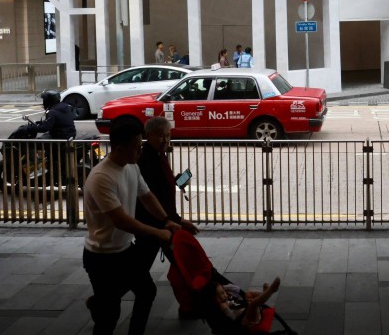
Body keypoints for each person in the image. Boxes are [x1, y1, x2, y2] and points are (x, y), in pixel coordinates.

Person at [82, 118, 179, 335]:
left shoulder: (132, 166)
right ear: (119, 148)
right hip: (102, 256)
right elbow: (121, 221)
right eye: (136, 147)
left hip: (125, 250)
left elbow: (146, 196)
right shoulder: (101, 177)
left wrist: (166, 220)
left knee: (146, 291)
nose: (140, 151)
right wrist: (159, 233)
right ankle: (100, 306)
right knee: (109, 316)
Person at [135, 117, 198, 275]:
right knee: (140, 270)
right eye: (161, 135)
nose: (166, 140)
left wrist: (175, 181)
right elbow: (153, 196)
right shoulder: (145, 159)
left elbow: (161, 186)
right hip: (155, 224)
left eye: (168, 135)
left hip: (165, 222)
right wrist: (176, 220)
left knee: (183, 265)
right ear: (148, 135)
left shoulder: (158, 154)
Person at [212, 277, 281, 331]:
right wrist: (226, 308)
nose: (223, 296)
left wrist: (224, 288)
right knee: (253, 304)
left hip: (248, 309)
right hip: (247, 319)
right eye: (218, 296)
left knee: (248, 294)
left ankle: (264, 294)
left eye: (223, 292)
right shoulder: (223, 306)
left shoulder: (229, 296)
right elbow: (233, 318)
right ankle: (271, 291)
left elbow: (237, 289)